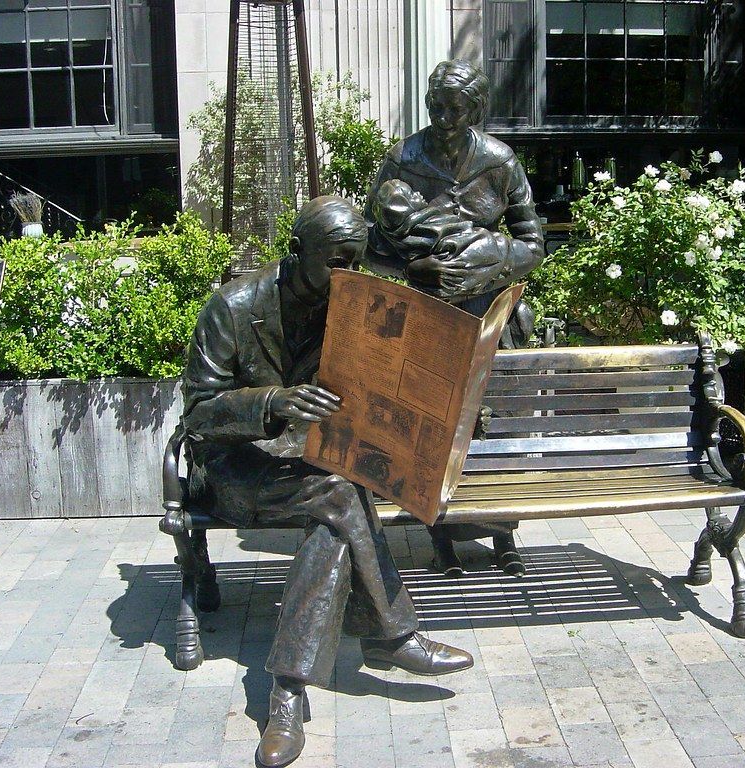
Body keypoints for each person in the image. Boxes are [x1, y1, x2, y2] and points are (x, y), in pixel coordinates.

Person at [181, 196, 474, 768]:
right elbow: (197, 413)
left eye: (356, 263)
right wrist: (272, 402)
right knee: (343, 493)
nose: (348, 276)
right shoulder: (233, 308)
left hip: (314, 464)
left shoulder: (349, 305)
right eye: (337, 262)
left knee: (337, 515)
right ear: (296, 253)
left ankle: (287, 695)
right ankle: (391, 635)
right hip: (238, 470)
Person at [364, 59, 546, 578]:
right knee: (435, 431)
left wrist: (494, 252)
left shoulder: (500, 161)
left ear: (475, 109)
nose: (444, 117)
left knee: (494, 432)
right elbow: (370, 246)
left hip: (490, 314)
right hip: (428, 317)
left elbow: (534, 244)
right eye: (436, 106)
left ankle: (503, 531)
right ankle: (439, 532)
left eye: (455, 108)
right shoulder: (403, 159)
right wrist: (411, 264)